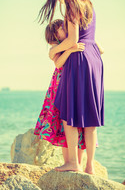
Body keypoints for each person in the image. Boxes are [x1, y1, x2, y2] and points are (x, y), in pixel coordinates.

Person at [38, 0, 104, 174]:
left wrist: (53, 50)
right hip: (94, 58)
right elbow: (89, 37)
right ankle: (90, 167)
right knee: (90, 117)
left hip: (79, 60)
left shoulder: (72, 5)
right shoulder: (87, 2)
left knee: (69, 114)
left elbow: (73, 40)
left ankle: (73, 163)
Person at [34, 19, 90, 169]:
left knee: (78, 126)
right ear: (54, 34)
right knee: (62, 124)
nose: (65, 29)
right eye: (61, 28)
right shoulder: (57, 47)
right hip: (60, 87)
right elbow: (58, 63)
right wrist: (70, 49)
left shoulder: (73, 40)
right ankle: (69, 162)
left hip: (75, 84)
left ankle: (77, 162)